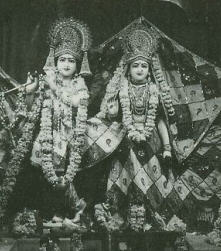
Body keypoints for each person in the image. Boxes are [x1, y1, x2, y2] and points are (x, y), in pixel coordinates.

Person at [0, 17, 92, 221]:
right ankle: (54, 212)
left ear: (77, 65)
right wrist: (29, 85)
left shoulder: (80, 84)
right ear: (55, 62)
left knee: (64, 174)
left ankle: (74, 208)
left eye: (71, 61)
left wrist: (54, 87)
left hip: (68, 136)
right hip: (47, 134)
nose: (66, 64)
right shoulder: (48, 80)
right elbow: (27, 92)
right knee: (44, 173)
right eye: (62, 60)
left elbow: (76, 102)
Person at [94, 24, 177, 231]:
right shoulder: (121, 89)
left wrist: (167, 148)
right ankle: (120, 216)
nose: (140, 69)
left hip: (152, 141)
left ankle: (151, 219)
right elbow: (113, 117)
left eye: (144, 65)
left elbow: (159, 121)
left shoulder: (154, 90)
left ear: (149, 69)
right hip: (125, 139)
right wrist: (113, 112)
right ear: (128, 69)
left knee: (153, 178)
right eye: (135, 65)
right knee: (123, 177)